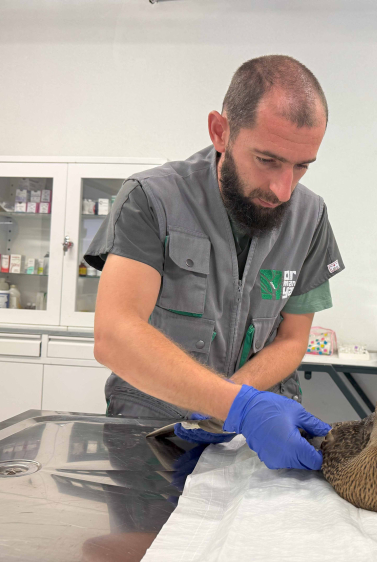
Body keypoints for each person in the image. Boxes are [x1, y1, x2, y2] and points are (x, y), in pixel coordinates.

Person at [85, 55, 345, 471]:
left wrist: (236, 404)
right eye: (267, 160)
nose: (283, 190)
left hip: (253, 436)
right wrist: (236, 405)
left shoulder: (310, 217)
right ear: (221, 131)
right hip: (153, 430)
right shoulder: (151, 199)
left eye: (301, 166)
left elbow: (293, 338)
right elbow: (115, 335)